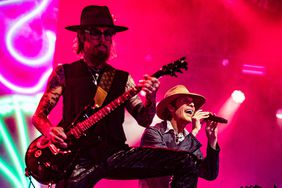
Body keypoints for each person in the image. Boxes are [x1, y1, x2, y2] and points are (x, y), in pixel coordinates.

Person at [31, 5, 203, 188]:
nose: (103, 39)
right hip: (76, 158)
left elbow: (144, 119)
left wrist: (151, 98)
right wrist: (50, 131)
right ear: (82, 36)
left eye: (108, 34)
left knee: (187, 161)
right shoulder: (64, 73)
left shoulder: (123, 79)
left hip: (114, 154)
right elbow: (38, 116)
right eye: (96, 33)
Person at [139, 85, 220, 188]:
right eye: (185, 101)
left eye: (193, 103)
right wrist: (194, 132)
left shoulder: (189, 140)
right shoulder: (153, 133)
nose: (192, 104)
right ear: (171, 107)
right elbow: (168, 165)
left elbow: (209, 173)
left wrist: (212, 140)